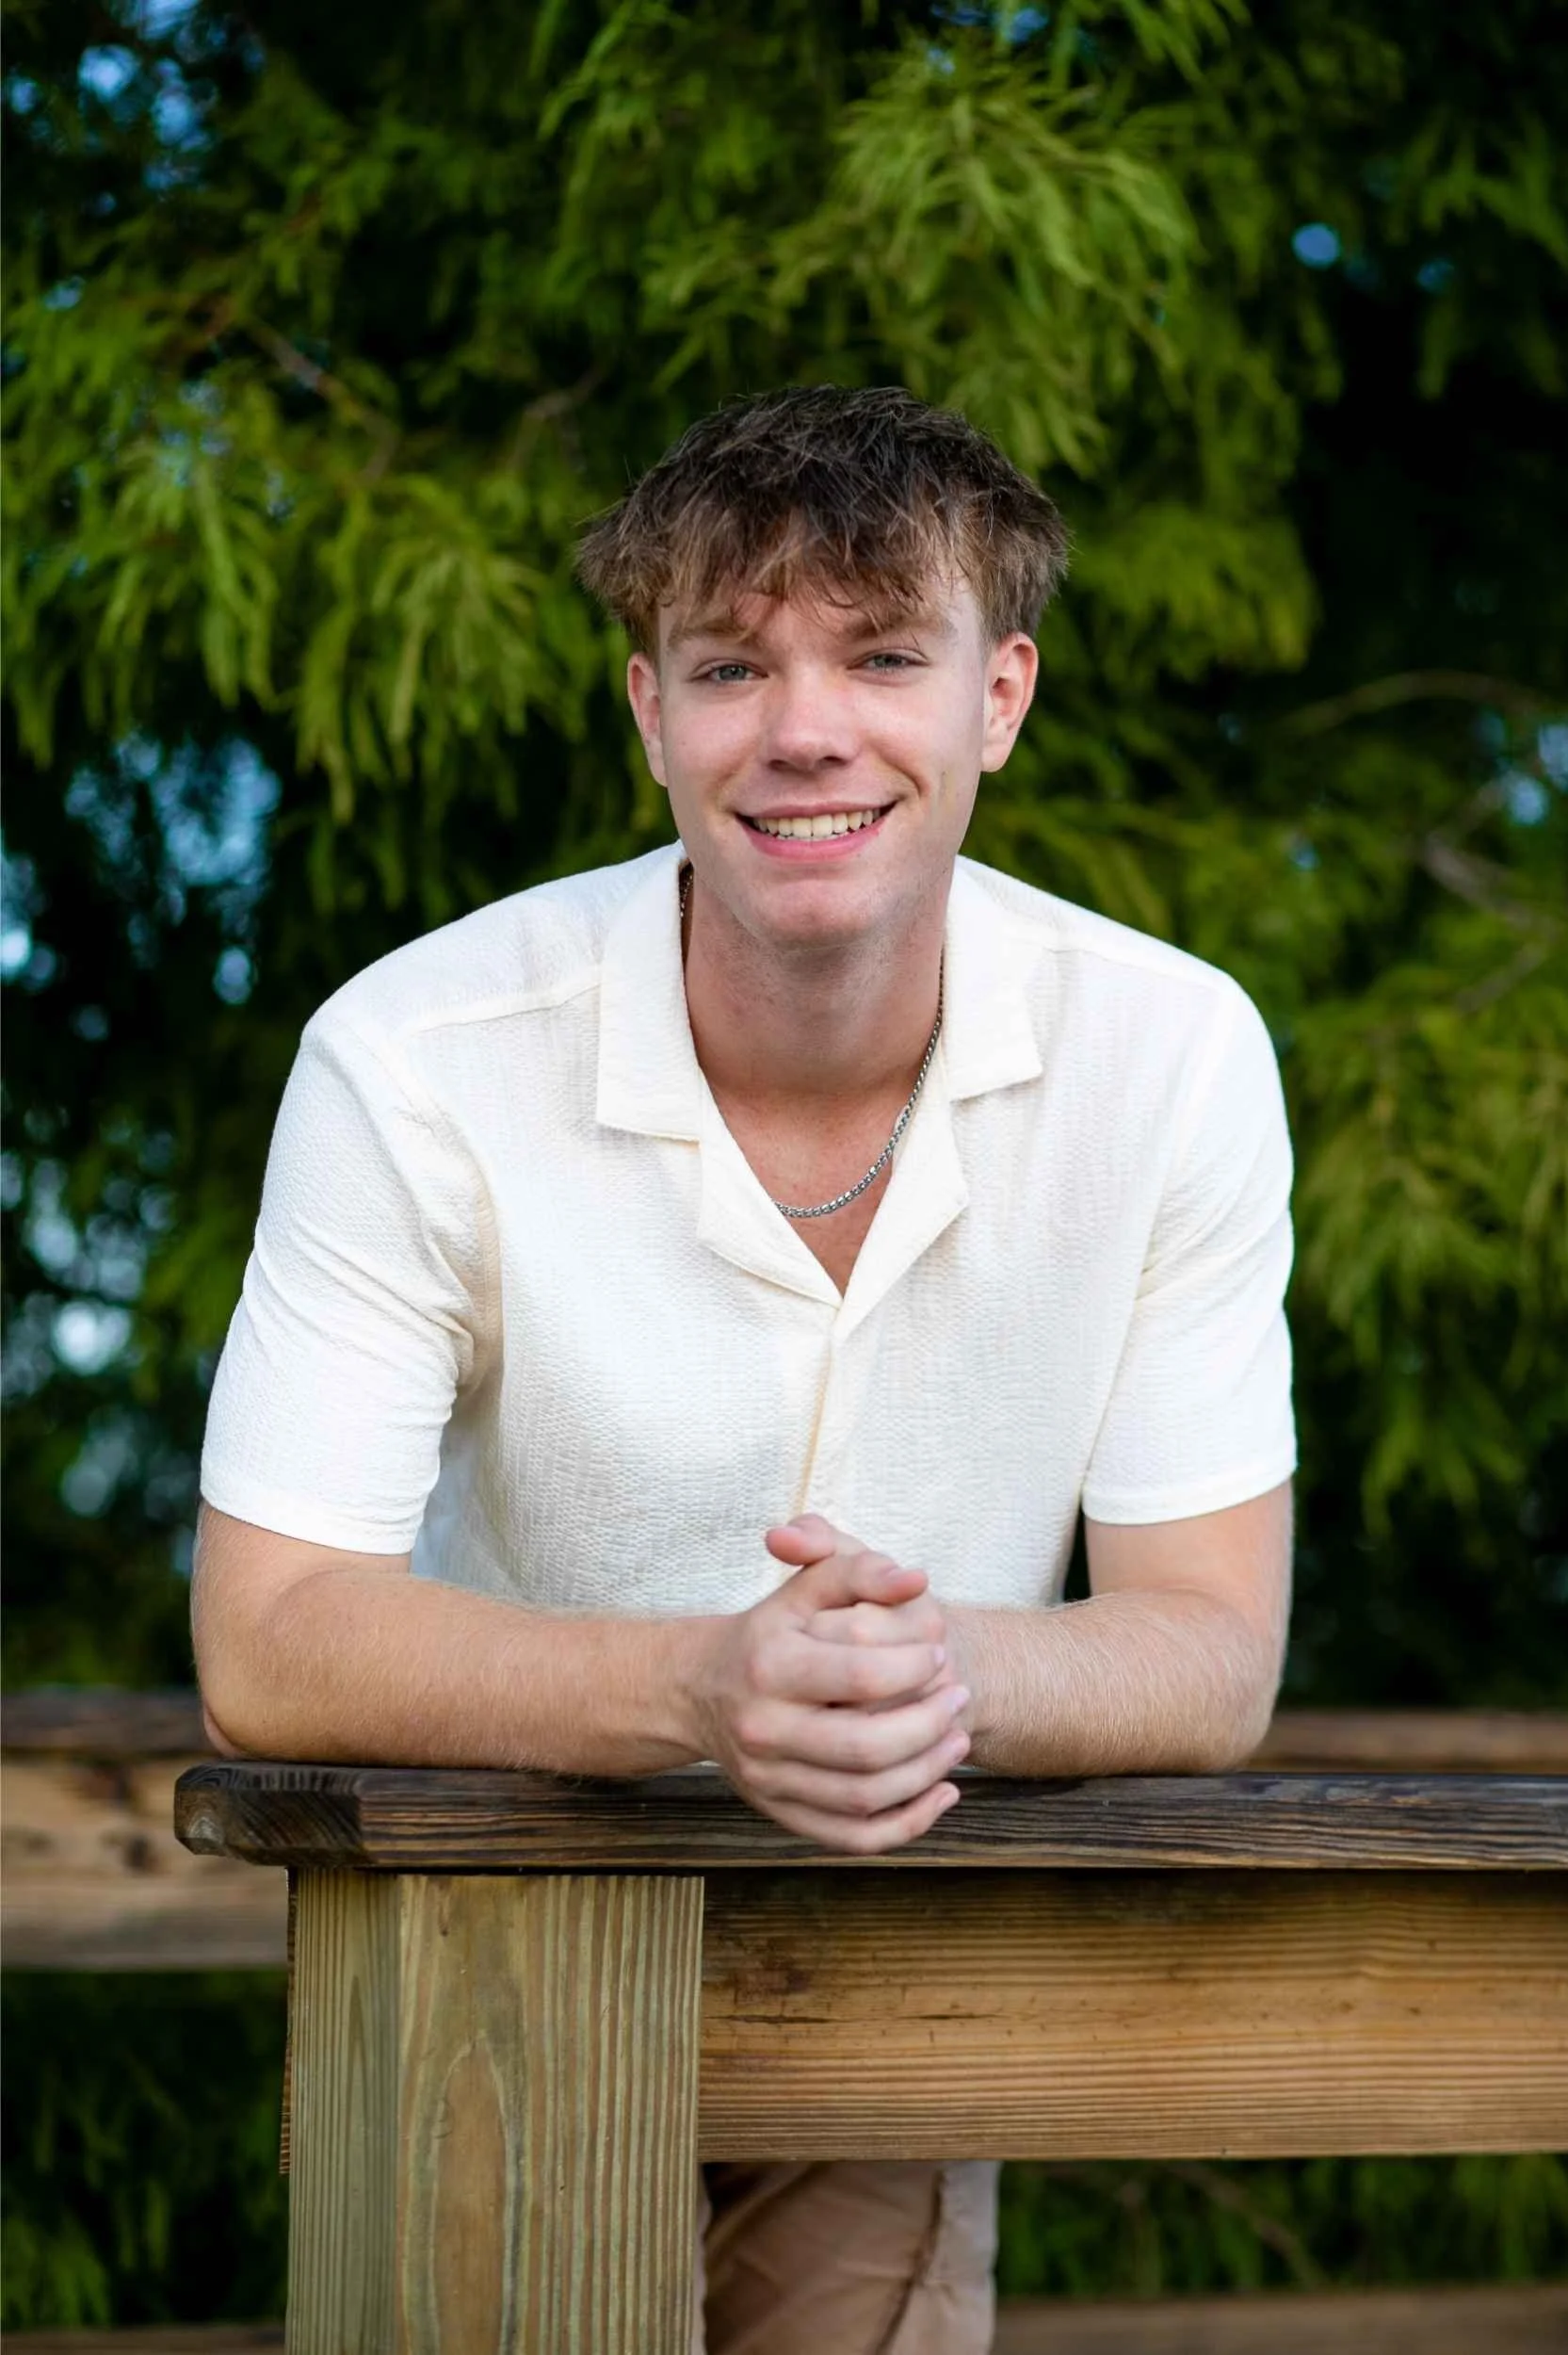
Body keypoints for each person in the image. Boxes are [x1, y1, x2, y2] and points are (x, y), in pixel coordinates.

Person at [192, 383, 1295, 2355]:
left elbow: (1207, 1642)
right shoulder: (414, 1051)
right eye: (728, 664)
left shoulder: (1174, 1051)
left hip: (883, 1952)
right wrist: (707, 1681)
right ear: (647, 712)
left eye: (882, 653)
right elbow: (269, 1633)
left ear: (999, 696)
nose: (802, 726)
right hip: (490, 1940)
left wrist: (928, 1668)